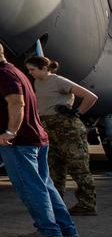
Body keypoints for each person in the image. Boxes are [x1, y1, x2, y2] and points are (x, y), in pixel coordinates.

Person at [0, 38, 78, 237]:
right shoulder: (14, 72)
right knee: (45, 185)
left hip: (20, 142)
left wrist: (10, 132)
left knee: (30, 187)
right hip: (33, 138)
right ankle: (67, 229)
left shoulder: (3, 73)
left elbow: (16, 102)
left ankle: (49, 231)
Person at [25, 56, 99, 216]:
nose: (30, 73)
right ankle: (55, 204)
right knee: (54, 168)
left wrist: (77, 112)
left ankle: (87, 205)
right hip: (48, 127)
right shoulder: (37, 82)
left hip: (67, 128)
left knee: (78, 167)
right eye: (29, 70)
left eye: (32, 69)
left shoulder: (59, 81)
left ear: (44, 68)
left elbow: (91, 97)